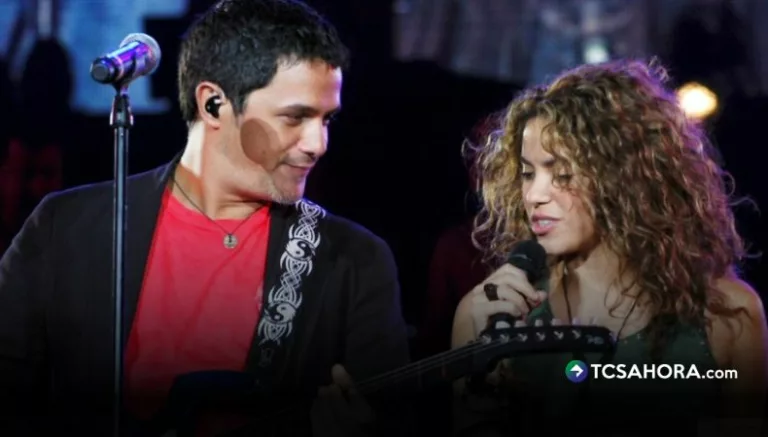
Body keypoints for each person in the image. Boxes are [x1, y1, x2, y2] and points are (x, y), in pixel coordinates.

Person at [0, 1, 411, 436]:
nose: (318, 143)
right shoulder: (65, 229)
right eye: (296, 117)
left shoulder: (352, 263)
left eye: (327, 119)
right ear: (213, 104)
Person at [450, 59, 767, 436]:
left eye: (562, 174)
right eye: (527, 174)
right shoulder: (486, 315)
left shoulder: (728, 315)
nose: (534, 195)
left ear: (625, 177)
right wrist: (481, 380)